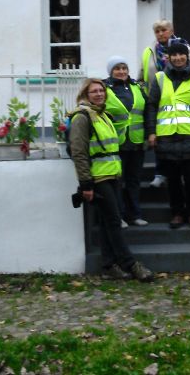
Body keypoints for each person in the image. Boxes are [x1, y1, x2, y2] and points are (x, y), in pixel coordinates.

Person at [69, 78, 154, 282]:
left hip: (113, 175)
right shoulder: (82, 117)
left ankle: (108, 265)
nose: (99, 94)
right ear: (85, 95)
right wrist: (86, 183)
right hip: (98, 178)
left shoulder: (104, 115)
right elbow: (78, 152)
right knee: (115, 221)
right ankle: (130, 264)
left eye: (101, 91)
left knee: (108, 222)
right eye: (94, 92)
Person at [145, 38, 190, 229]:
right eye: (173, 55)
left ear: (186, 56)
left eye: (181, 54)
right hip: (166, 136)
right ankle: (176, 213)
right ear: (168, 58)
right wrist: (151, 132)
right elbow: (152, 106)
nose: (177, 58)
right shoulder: (160, 78)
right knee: (173, 179)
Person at [139, 19, 190, 188]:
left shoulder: (183, 47)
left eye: (164, 30)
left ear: (171, 30)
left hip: (179, 97)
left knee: (177, 138)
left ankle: (179, 173)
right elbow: (142, 76)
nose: (161, 34)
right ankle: (160, 173)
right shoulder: (149, 51)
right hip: (157, 98)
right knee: (160, 135)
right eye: (157, 31)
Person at [104, 56, 148, 228]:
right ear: (111, 71)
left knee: (134, 181)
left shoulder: (137, 87)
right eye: (117, 68)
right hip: (116, 143)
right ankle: (119, 216)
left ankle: (135, 215)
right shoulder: (104, 88)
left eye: (124, 68)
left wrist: (150, 134)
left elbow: (146, 111)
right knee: (117, 182)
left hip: (136, 142)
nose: (121, 71)